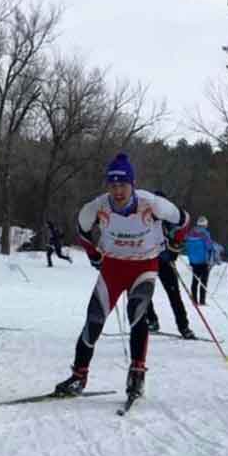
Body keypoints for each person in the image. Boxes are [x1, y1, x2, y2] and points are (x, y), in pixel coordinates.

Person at [54, 153, 190, 399]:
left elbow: (184, 220)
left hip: (144, 266)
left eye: (123, 185)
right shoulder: (96, 207)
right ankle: (79, 375)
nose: (118, 191)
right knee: (94, 318)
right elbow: (82, 229)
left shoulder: (153, 204)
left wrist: (174, 246)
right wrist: (94, 254)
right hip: (113, 268)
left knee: (137, 314)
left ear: (132, 185)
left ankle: (137, 374)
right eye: (113, 185)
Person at [144, 191, 196, 339]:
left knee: (174, 294)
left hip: (165, 262)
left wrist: (173, 249)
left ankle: (184, 326)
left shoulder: (170, 219)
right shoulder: (144, 216)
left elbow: (181, 233)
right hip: (148, 260)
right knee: (144, 291)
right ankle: (151, 320)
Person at [185, 216, 216, 305]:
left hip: (193, 261)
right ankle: (202, 301)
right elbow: (209, 246)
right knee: (203, 281)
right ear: (205, 224)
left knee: (195, 281)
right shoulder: (205, 233)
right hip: (203, 261)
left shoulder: (190, 233)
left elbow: (187, 245)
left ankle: (194, 300)